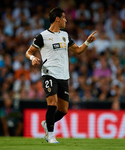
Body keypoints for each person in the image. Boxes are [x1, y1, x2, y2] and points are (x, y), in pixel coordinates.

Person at [25, 7, 97, 143]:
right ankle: (50, 136)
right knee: (52, 104)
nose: (66, 20)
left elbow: (78, 50)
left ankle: (47, 123)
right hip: (49, 73)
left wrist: (87, 42)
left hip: (63, 76)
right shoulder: (42, 36)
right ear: (57, 19)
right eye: (64, 17)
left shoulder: (65, 35)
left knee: (63, 110)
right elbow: (28, 52)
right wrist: (32, 58)